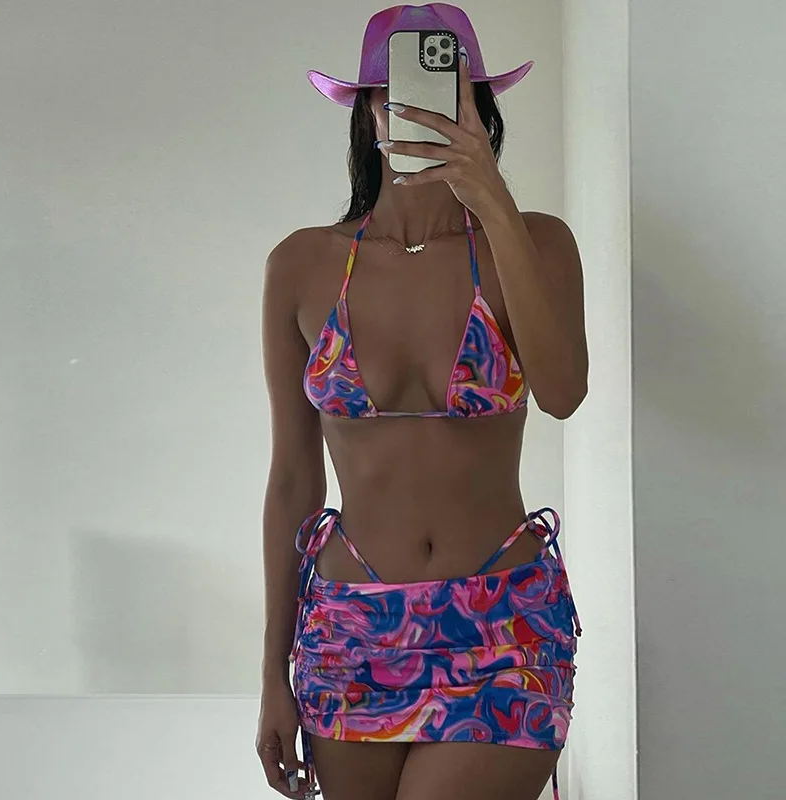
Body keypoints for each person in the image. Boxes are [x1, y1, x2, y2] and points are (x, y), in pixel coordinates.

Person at [256, 5, 588, 800]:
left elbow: (564, 393)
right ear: (366, 112)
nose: (416, 110)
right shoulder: (302, 265)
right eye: (393, 94)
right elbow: (293, 479)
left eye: (446, 93)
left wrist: (492, 201)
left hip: (503, 624)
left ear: (481, 108)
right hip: (349, 630)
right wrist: (271, 672)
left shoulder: (536, 242)